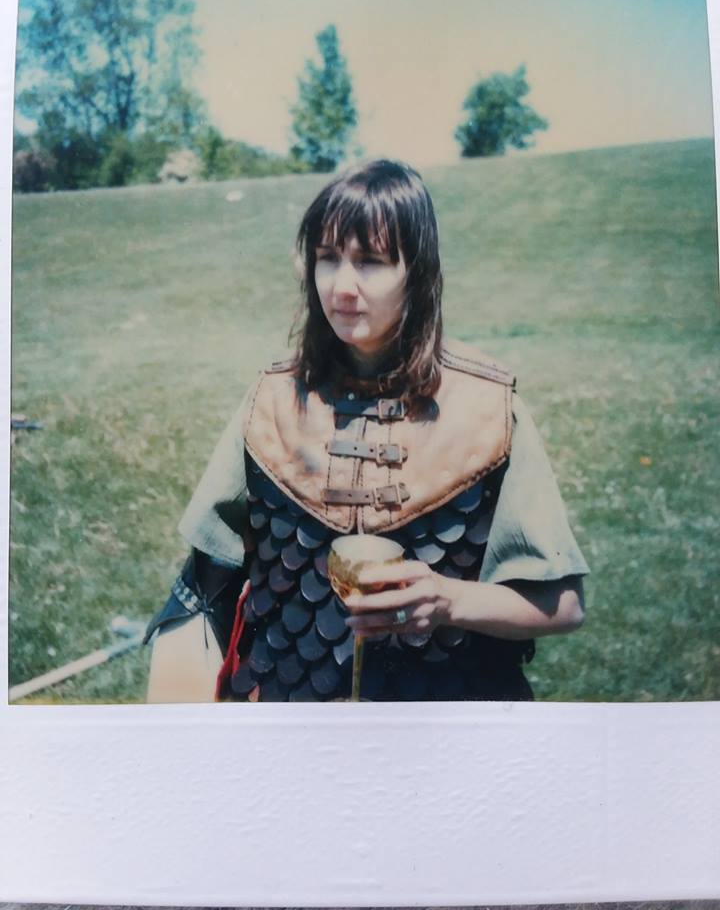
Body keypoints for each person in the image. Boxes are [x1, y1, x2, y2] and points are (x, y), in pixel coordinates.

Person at [145, 159, 588, 703]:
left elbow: (563, 605)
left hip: (447, 726)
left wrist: (448, 601)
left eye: (371, 262)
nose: (343, 287)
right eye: (328, 258)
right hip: (288, 721)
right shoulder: (271, 402)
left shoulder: (489, 408)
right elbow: (202, 590)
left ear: (417, 272)